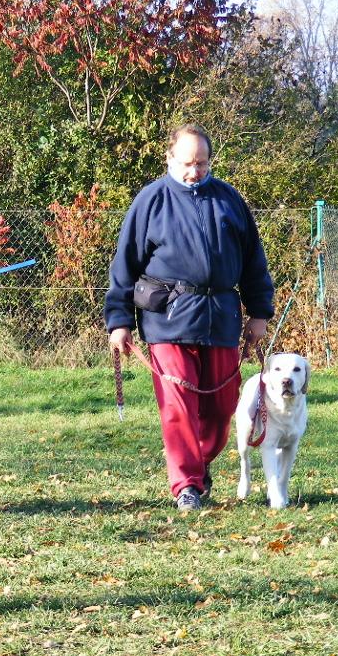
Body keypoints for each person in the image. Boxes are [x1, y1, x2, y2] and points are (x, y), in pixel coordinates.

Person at [104, 124, 274, 512]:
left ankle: (198, 466)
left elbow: (253, 262)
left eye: (201, 162)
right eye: (187, 163)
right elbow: (124, 265)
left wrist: (260, 313)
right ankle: (186, 486)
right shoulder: (150, 201)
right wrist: (119, 321)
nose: (194, 170)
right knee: (178, 406)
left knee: (220, 407)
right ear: (169, 159)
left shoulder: (229, 199)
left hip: (221, 318)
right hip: (167, 320)